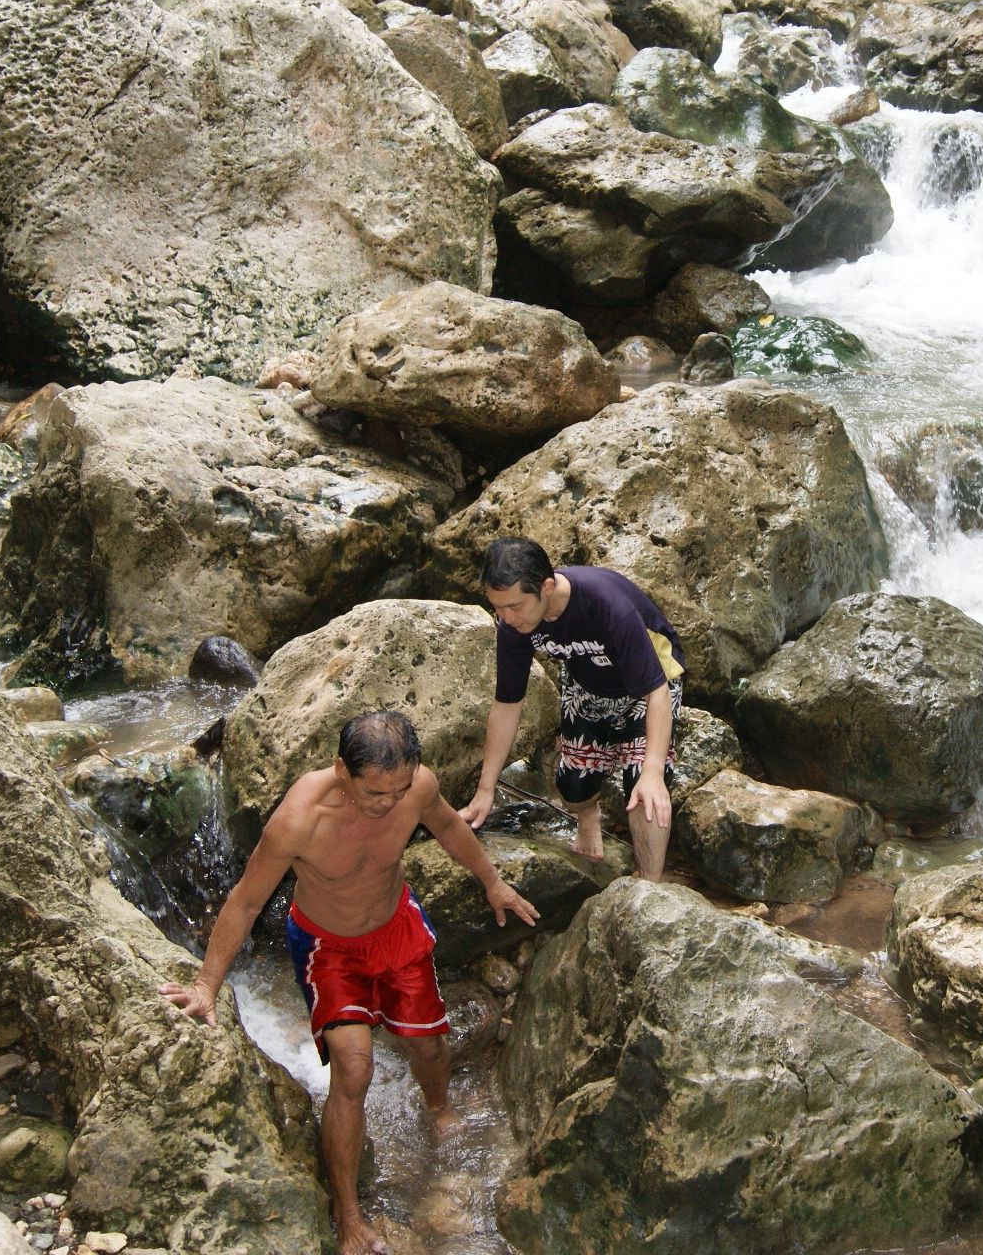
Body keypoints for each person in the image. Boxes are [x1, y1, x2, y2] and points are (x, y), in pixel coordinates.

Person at [162, 710, 539, 1255]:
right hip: (327, 946)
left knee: (428, 1047)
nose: (388, 804)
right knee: (355, 1068)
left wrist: (493, 883)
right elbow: (245, 902)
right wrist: (206, 985)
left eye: (399, 791)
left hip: (395, 928)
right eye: (374, 793)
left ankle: (438, 1107)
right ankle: (347, 1212)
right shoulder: (299, 818)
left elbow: (450, 827)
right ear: (342, 770)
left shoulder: (418, 786)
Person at [461, 537, 685, 879]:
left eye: (514, 606)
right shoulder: (513, 625)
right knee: (574, 784)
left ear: (546, 587)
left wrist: (653, 771)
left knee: (644, 790)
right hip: (586, 681)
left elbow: (657, 692)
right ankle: (588, 816)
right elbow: (507, 704)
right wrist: (486, 788)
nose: (505, 617)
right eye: (497, 607)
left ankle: (648, 885)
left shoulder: (608, 606)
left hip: (650, 682)